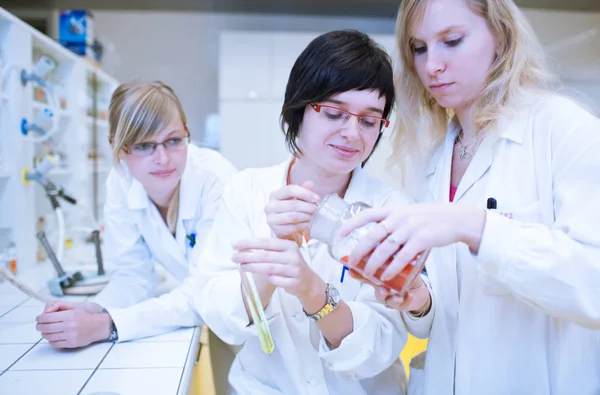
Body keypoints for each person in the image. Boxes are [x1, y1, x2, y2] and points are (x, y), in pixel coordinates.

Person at [339, 1, 600, 394]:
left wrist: (475, 227)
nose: (431, 67)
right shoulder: (433, 161)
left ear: (501, 36)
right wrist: (416, 299)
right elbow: (445, 316)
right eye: (419, 48)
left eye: (452, 41)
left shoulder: (561, 129)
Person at [194, 30, 415, 395]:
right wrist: (274, 256)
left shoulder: (390, 210)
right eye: (333, 113)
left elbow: (380, 346)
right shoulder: (247, 191)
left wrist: (312, 289)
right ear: (299, 109)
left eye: (368, 120)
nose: (352, 133)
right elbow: (221, 318)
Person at [34, 80, 238, 394]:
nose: (163, 159)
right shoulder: (121, 180)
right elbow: (133, 276)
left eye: (173, 140)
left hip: (251, 317)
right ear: (118, 145)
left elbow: (203, 292)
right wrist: (93, 310)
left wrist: (107, 326)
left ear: (186, 131)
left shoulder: (216, 179)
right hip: (213, 312)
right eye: (144, 145)